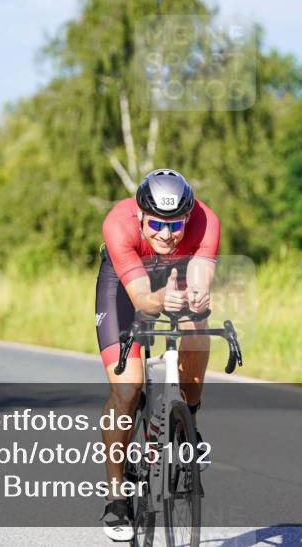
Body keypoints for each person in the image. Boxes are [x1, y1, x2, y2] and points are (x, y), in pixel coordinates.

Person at [96, 169, 219, 541]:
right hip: (124, 283)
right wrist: (158, 300)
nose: (167, 234)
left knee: (197, 325)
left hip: (178, 274)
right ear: (139, 215)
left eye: (176, 224)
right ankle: (117, 496)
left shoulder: (206, 220)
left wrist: (196, 297)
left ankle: (189, 427)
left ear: (189, 214)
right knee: (128, 388)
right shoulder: (118, 224)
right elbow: (143, 302)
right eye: (156, 224)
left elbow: (199, 277)